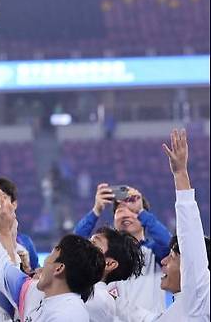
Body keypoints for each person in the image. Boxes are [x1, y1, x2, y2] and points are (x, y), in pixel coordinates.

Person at [0, 168, 105, 321]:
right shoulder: (36, 293)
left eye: (52, 254)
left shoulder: (69, 315)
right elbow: (0, 262)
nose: (40, 267)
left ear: (59, 268)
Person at [115, 129, 211, 321]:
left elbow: (189, 239)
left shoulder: (198, 301)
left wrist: (181, 175)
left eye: (172, 256)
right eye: (119, 211)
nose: (164, 262)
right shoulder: (176, 310)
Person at [73, 178, 171, 313]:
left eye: (132, 210)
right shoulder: (102, 253)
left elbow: (169, 243)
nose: (125, 214)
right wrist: (96, 210)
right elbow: (73, 247)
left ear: (143, 218)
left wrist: (141, 212)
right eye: (120, 211)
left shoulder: (154, 252)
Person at [86, 227, 145, 321]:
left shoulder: (97, 299)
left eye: (93, 243)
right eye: (89, 240)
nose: (84, 245)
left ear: (109, 264)